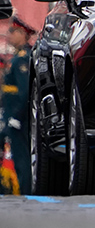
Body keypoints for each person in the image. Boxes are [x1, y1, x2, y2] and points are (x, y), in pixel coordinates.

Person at [1, 16, 36, 194]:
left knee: (21, 158)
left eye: (12, 32)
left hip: (18, 118)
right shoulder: (17, 57)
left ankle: (25, 193)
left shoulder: (22, 60)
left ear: (22, 34)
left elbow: (24, 92)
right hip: (11, 115)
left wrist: (16, 116)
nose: (8, 36)